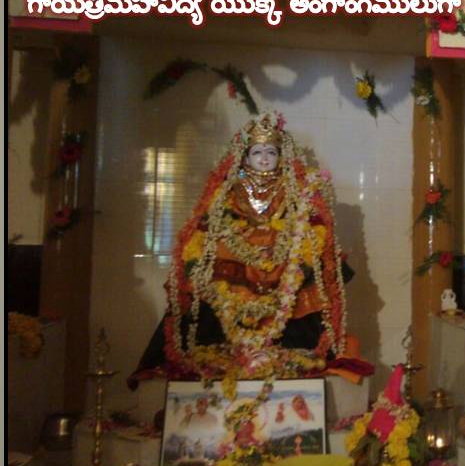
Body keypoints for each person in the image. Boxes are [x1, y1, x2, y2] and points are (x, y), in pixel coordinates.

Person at [131, 112, 363, 384]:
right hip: (237, 255)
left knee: (315, 262)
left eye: (271, 152)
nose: (264, 159)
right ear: (245, 157)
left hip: (283, 255)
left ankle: (289, 346)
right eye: (257, 152)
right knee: (206, 264)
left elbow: (309, 222)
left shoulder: (294, 188)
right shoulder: (230, 189)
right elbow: (212, 223)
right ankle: (223, 343)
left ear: (281, 156)